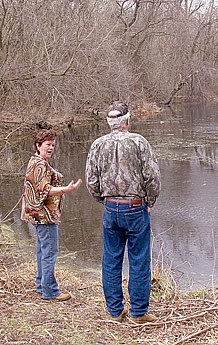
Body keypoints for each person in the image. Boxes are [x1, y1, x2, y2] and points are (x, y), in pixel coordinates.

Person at [85, 101, 161, 323]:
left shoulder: (97, 145)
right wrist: (150, 201)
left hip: (111, 207)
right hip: (136, 207)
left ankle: (115, 311)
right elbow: (152, 177)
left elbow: (91, 181)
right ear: (127, 120)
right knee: (138, 259)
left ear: (109, 123)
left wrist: (104, 200)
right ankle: (138, 312)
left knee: (111, 259)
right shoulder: (139, 142)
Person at [21, 129, 82, 301]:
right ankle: (50, 291)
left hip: (37, 215)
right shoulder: (40, 164)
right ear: (38, 145)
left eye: (53, 145)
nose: (51, 148)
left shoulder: (35, 160)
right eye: (47, 145)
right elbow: (44, 190)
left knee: (42, 250)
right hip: (44, 216)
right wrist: (67, 189)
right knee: (49, 252)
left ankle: (42, 285)